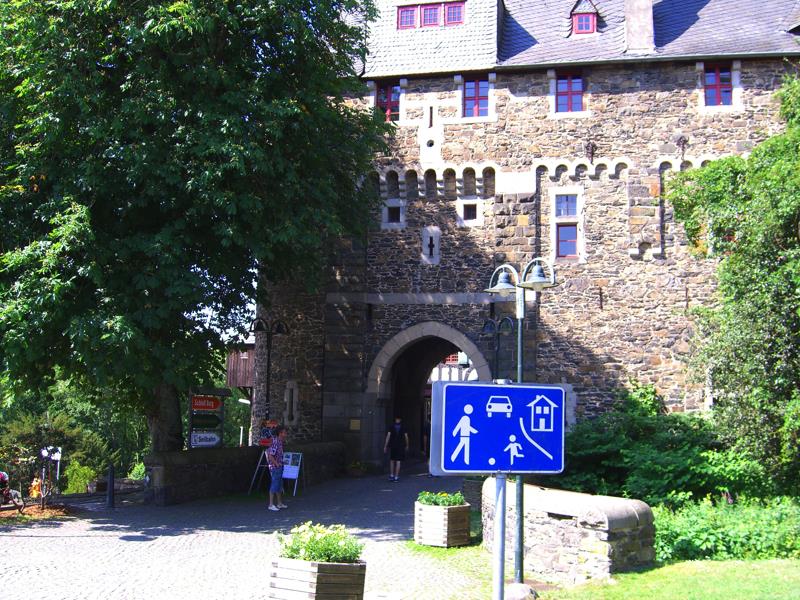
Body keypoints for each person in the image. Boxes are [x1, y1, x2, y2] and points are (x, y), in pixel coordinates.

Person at [267, 425, 288, 511]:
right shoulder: (275, 442)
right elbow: (270, 455)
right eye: (284, 432)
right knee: (274, 485)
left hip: (279, 466)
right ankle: (271, 504)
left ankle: (279, 503)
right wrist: (276, 464)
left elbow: (277, 455)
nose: (286, 434)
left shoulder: (280, 442)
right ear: (280, 433)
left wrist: (282, 462)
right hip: (275, 468)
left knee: (279, 485)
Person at [383, 416, 409, 482]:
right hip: (400, 446)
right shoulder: (403, 427)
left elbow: (388, 436)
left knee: (392, 460)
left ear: (395, 419)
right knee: (398, 461)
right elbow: (406, 437)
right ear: (400, 420)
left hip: (393, 445)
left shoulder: (391, 426)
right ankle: (396, 477)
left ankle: (391, 475)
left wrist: (385, 446)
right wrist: (407, 445)